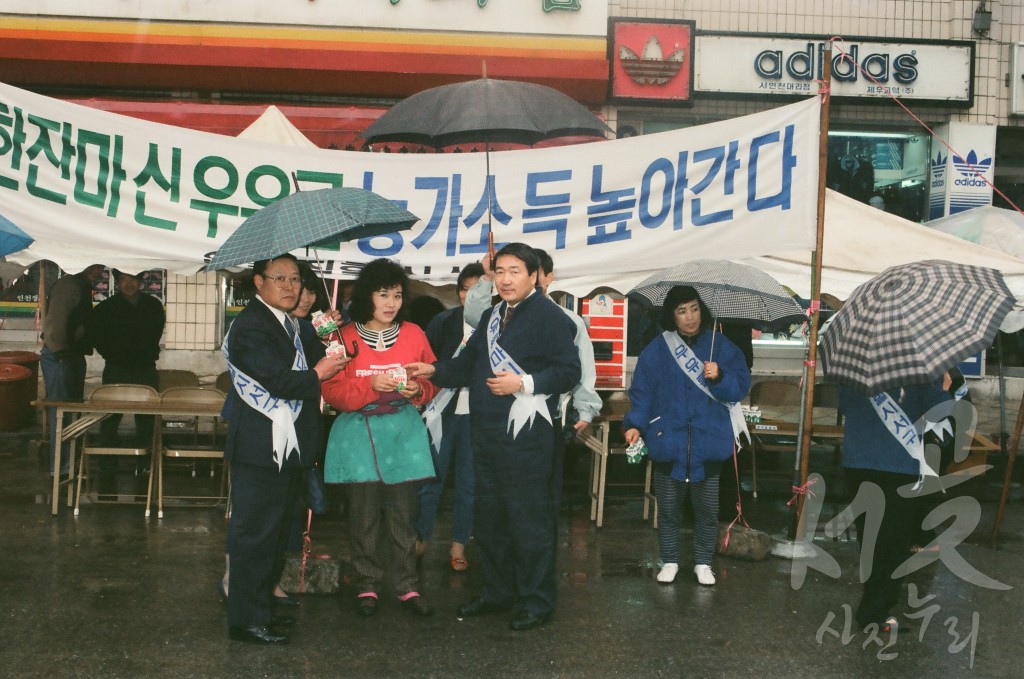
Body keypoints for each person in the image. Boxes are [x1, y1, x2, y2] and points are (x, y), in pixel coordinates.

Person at [406, 242, 581, 631]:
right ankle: (498, 591)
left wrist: (525, 381)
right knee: (490, 519)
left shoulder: (551, 317)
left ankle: (536, 601)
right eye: (499, 270)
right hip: (486, 433)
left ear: (534, 275)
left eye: (515, 271)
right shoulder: (491, 316)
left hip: (528, 434)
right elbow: (467, 365)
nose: (505, 278)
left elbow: (569, 372)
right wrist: (432, 371)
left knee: (529, 520)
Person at [221, 253, 345, 645]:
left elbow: (312, 359)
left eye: (295, 278)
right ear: (258, 282)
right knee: (255, 533)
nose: (291, 287)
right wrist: (318, 374)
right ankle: (246, 620)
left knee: (274, 535)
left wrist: (329, 336)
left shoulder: (289, 323)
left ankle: (262, 610)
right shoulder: (251, 326)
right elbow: (277, 380)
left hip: (287, 445)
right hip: (261, 446)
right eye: (280, 278)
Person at [321, 258, 439, 619]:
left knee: (405, 516)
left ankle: (407, 586)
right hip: (357, 433)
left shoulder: (416, 334)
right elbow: (332, 391)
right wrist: (370, 384)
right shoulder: (343, 337)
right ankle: (367, 584)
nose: (391, 303)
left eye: (398, 295)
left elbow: (432, 383)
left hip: (403, 434)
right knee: (364, 516)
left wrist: (417, 389)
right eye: (383, 294)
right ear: (366, 296)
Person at [623, 285, 751, 587]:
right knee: (668, 508)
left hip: (710, 440)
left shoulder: (722, 346)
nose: (690, 317)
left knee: (707, 510)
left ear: (702, 310)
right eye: (682, 311)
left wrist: (719, 376)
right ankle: (669, 560)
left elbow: (740, 387)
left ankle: (704, 562)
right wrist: (634, 424)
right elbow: (642, 392)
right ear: (672, 315)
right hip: (668, 440)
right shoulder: (656, 349)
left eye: (694, 308)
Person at [838, 380, 951, 631]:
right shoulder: (915, 373)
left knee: (870, 538)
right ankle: (875, 610)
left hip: (858, 461)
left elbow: (845, 405)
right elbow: (940, 411)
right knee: (893, 543)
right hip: (897, 465)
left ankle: (873, 603)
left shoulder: (855, 368)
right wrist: (943, 386)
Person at [414, 262, 484, 572]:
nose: (474, 295)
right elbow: (426, 363)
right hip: (441, 409)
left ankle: (458, 545)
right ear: (459, 293)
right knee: (431, 477)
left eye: (481, 289)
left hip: (477, 413)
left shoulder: (495, 325)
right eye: (468, 289)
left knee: (470, 482)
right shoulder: (442, 322)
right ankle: (420, 540)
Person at [88, 269, 166, 475]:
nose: (128, 284)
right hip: (116, 367)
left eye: (133, 280)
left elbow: (155, 333)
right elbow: (97, 335)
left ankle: (146, 463)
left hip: (145, 367)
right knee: (110, 416)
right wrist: (112, 354)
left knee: (147, 417)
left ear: (140, 282)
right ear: (117, 282)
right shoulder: (106, 307)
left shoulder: (152, 305)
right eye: (124, 280)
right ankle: (106, 463)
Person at [40, 263, 106, 475]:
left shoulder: (81, 285)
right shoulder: (68, 285)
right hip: (60, 356)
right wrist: (60, 354)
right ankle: (59, 467)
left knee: (70, 413)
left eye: (100, 267)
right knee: (61, 414)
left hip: (72, 355)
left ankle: (67, 464)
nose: (99, 271)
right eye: (95, 266)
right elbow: (54, 325)